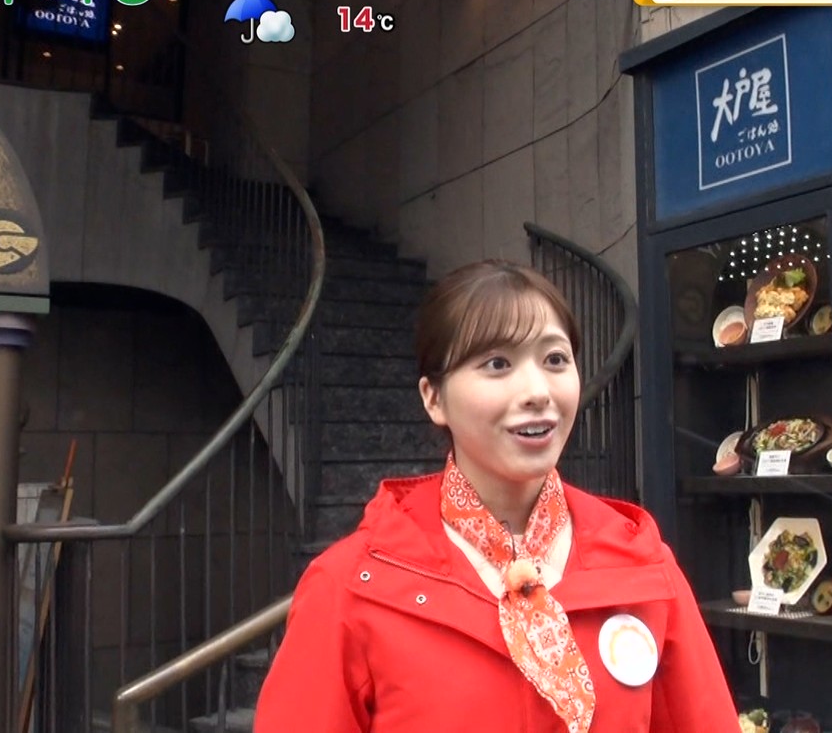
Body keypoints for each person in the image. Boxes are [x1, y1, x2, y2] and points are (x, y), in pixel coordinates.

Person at [254, 260, 740, 732]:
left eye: (555, 360)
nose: (537, 391)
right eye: (497, 364)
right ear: (434, 398)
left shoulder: (643, 566)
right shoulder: (351, 588)